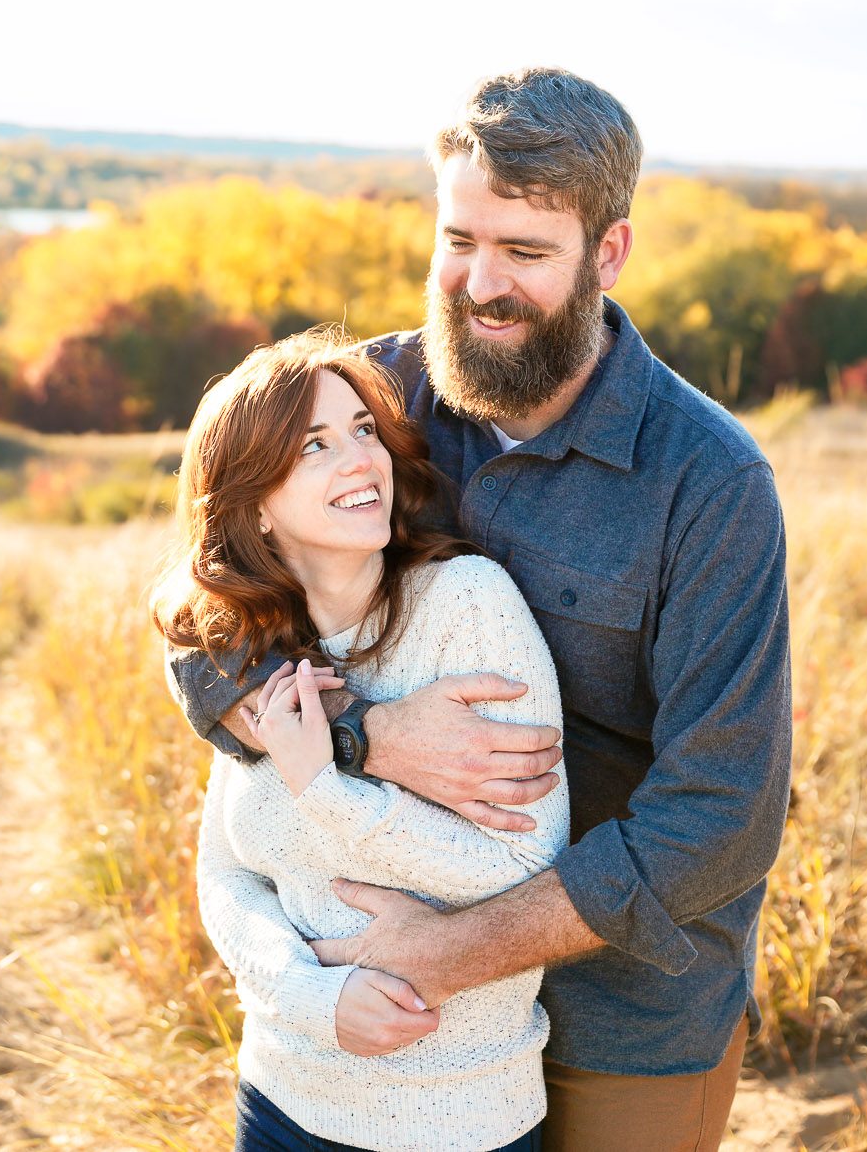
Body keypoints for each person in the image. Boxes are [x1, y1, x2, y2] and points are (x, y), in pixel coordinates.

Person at [170, 67, 793, 1152]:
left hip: (623, 1011)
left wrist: (456, 949)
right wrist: (363, 739)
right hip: (370, 993)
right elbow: (202, 604)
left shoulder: (709, 483)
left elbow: (723, 814)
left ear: (607, 253)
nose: (478, 284)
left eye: (524, 252)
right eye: (458, 240)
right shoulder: (365, 404)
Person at [156, 328, 571, 1151]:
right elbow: (228, 875)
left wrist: (328, 791)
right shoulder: (253, 651)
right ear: (256, 510)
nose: (359, 459)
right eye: (314, 446)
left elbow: (525, 864)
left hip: (459, 1114)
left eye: (363, 431)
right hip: (281, 1097)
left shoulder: (467, 607)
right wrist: (310, 999)